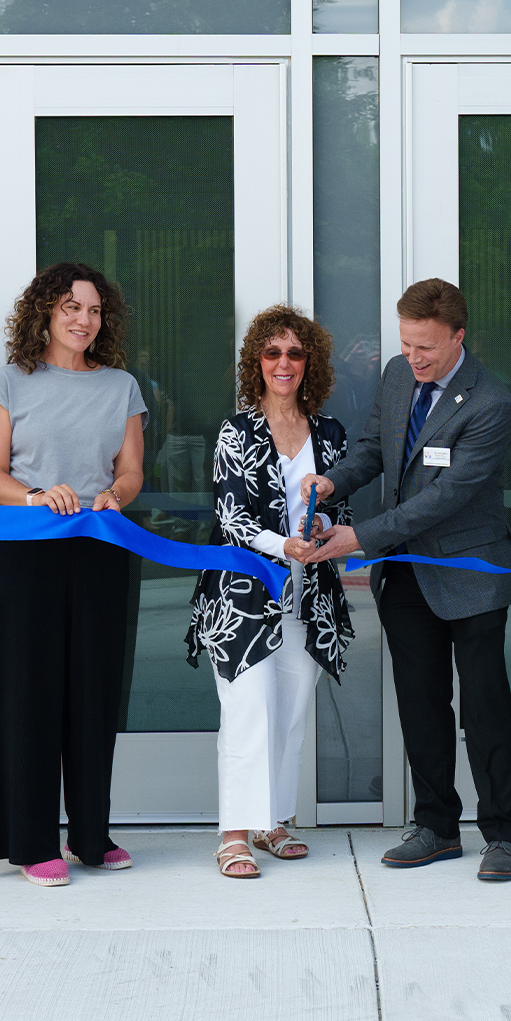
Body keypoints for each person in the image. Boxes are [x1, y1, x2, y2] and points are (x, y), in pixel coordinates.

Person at [306, 278, 511, 883]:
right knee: (420, 703)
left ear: (459, 336)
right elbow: (375, 448)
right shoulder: (399, 377)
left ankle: (505, 835)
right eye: (406, 344)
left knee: (484, 709)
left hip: (469, 574)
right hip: (404, 574)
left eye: (426, 347)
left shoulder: (490, 403)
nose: (414, 357)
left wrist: (360, 537)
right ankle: (435, 826)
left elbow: (447, 498)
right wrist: (333, 483)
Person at [0, 262, 147, 886]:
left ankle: (91, 836)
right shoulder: (6, 384)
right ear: (44, 311)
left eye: (94, 310)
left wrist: (117, 496)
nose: (84, 319)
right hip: (29, 549)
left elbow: (129, 471)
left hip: (100, 546)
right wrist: (36, 497)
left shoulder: (122, 385)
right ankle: (31, 841)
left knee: (94, 690)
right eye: (71, 307)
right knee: (31, 692)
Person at [187, 306, 354, 879]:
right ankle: (234, 832)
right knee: (247, 709)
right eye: (272, 353)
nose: (284, 363)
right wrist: (284, 547)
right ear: (256, 362)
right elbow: (231, 517)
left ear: (311, 364)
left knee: (290, 711)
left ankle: (272, 821)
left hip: (310, 596)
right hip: (241, 597)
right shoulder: (237, 430)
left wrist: (324, 536)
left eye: (295, 353)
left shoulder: (330, 435)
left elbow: (341, 509)